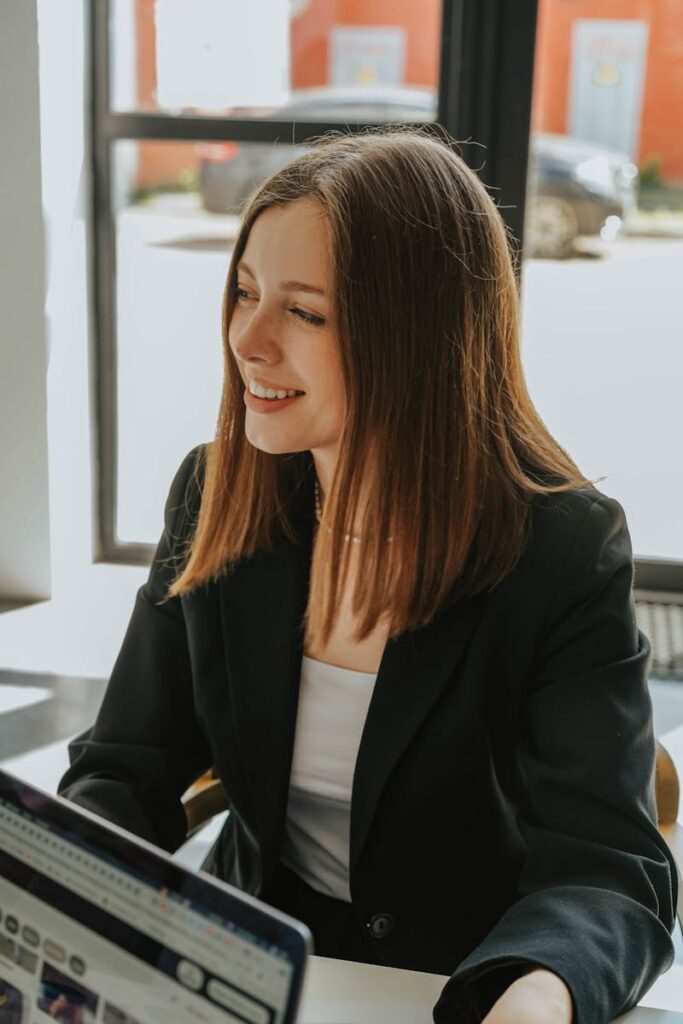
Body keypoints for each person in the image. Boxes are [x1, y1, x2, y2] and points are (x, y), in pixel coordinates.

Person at [59, 128, 676, 1023]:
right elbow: (125, 770)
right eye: (244, 293)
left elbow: (608, 868)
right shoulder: (217, 489)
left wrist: (534, 999)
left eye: (304, 312)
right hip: (245, 969)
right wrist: (68, 897)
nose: (249, 341)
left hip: (459, 982)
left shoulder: (559, 549)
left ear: (416, 334)